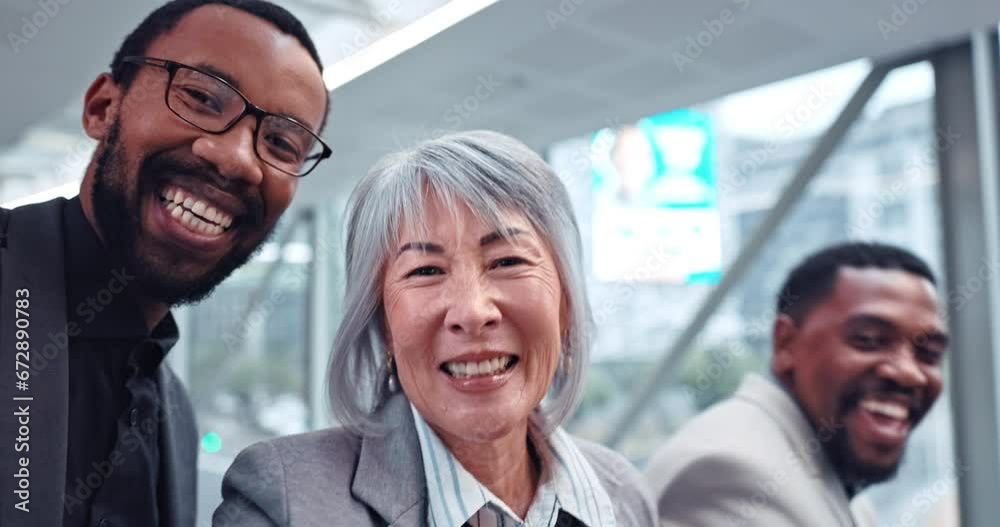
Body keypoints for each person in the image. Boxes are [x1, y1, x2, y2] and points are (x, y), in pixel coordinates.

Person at [213, 130, 657, 527]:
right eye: (426, 270)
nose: (472, 311)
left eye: (507, 261)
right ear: (383, 323)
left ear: (565, 304)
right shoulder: (285, 502)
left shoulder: (623, 497)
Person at [0, 1, 330, 525]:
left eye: (281, 143)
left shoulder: (175, 418)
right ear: (103, 108)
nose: (238, 159)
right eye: (202, 98)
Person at [646, 242, 949, 526]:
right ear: (786, 343)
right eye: (869, 340)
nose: (910, 374)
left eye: (930, 353)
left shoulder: (829, 474)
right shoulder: (729, 472)